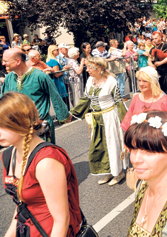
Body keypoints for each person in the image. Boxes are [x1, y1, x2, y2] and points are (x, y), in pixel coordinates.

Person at [0, 92, 82, 237]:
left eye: (2, 126)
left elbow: (61, 220)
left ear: (21, 122)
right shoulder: (7, 155)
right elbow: (21, 204)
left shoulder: (46, 161)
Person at [70, 57, 127, 186]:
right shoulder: (90, 80)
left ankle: (118, 173)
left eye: (90, 67)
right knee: (99, 145)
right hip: (96, 118)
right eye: (87, 67)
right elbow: (86, 98)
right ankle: (108, 171)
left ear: (99, 68)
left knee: (112, 144)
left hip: (109, 116)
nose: (87, 70)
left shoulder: (111, 81)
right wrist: (72, 113)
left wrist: (126, 121)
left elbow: (118, 100)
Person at [1, 48, 71, 143]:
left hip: (40, 127)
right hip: (19, 129)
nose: (3, 63)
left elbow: (55, 96)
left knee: (44, 155)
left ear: (18, 61)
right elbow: (4, 101)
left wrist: (63, 115)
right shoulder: (9, 78)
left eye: (5, 61)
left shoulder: (40, 76)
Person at [121, 66, 167, 132]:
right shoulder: (136, 98)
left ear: (153, 82)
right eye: (139, 80)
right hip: (137, 139)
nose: (141, 84)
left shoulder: (164, 100)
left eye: (145, 81)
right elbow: (127, 123)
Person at [149, 31, 167, 102]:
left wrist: (161, 63)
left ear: (160, 38)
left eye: (156, 38)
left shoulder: (165, 46)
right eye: (153, 39)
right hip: (158, 73)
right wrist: (152, 65)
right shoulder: (152, 49)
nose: (154, 40)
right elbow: (149, 60)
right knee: (159, 92)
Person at [47, 45, 70, 109]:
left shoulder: (48, 60)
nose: (58, 51)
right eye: (57, 50)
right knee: (63, 99)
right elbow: (56, 74)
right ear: (52, 51)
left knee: (58, 100)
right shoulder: (53, 61)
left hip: (55, 82)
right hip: (58, 82)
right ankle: (66, 115)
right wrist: (64, 69)